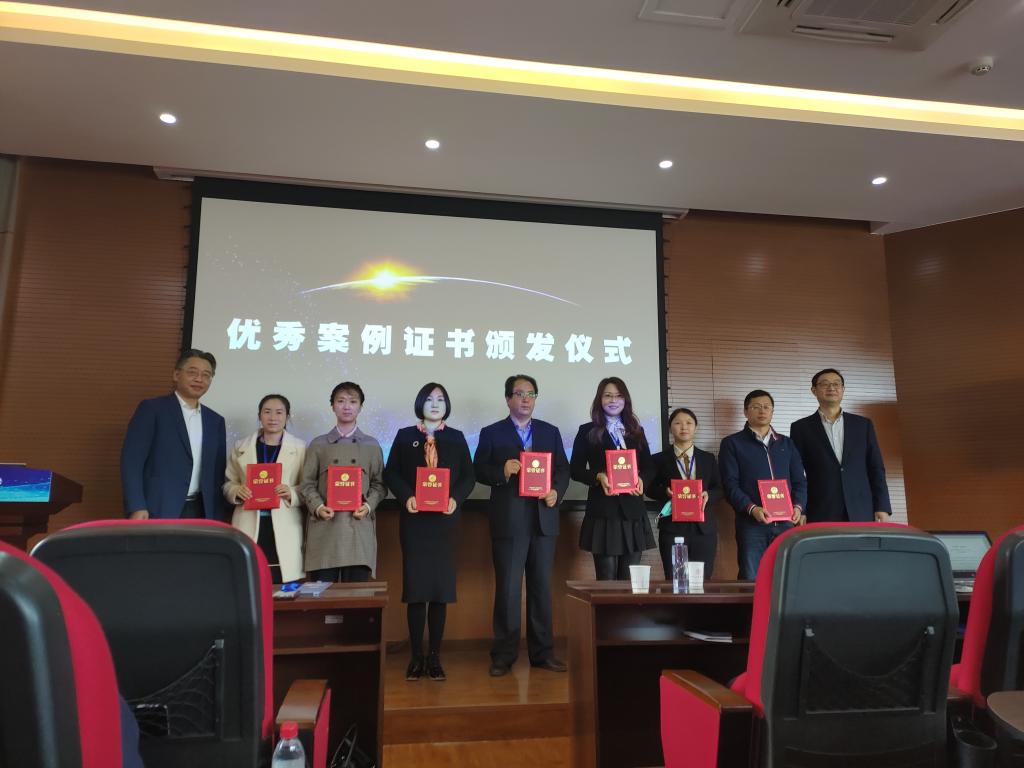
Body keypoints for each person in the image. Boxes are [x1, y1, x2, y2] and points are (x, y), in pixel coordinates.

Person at [474, 374, 570, 677]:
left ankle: (543, 654)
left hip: (544, 519)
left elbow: (562, 470)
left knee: (541, 588)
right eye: (519, 393)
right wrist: (501, 471)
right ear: (508, 399)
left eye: (531, 394)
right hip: (509, 521)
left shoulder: (550, 432)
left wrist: (556, 491)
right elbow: (479, 469)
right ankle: (503, 655)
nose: (525, 399)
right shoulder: (492, 432)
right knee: (508, 590)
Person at [384, 383, 475, 682]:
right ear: (420, 403)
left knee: (439, 592)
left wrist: (456, 498)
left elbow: (468, 476)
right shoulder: (404, 435)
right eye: (429, 399)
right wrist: (406, 496)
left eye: (441, 399)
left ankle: (434, 656)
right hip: (415, 522)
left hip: (445, 523)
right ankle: (416, 657)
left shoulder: (456, 437)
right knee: (416, 591)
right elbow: (391, 473)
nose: (435, 404)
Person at [121, 349, 227, 520]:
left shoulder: (215, 421)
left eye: (206, 375)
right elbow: (132, 461)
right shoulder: (152, 409)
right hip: (158, 507)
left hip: (201, 511)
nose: (199, 379)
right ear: (176, 375)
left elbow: (217, 474)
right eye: (192, 372)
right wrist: (136, 505)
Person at [570, 377, 656, 581]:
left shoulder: (636, 431)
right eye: (608, 395)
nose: (613, 400)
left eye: (618, 396)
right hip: (603, 511)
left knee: (629, 579)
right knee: (606, 578)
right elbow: (575, 469)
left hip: (632, 512)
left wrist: (642, 479)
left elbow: (649, 467)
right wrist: (598, 476)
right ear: (599, 399)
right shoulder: (587, 430)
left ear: (625, 400)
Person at [299, 382, 385, 582]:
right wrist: (318, 507)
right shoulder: (318, 444)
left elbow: (379, 484)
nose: (347, 406)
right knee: (322, 596)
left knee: (357, 596)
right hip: (325, 528)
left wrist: (368, 506)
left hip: (358, 527)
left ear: (360, 407)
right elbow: (307, 483)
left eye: (353, 401)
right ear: (332, 406)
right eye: (341, 401)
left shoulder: (371, 445)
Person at [719, 389, 807, 580]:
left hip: (786, 523)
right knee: (751, 578)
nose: (762, 411)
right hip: (752, 524)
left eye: (767, 407)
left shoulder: (786, 444)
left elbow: (800, 482)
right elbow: (730, 484)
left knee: (787, 577)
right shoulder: (732, 443)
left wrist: (798, 507)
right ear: (745, 411)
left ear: (772, 411)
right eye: (756, 407)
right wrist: (752, 508)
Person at [790, 368, 892, 523]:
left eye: (836, 384)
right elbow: (796, 472)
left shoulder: (862, 425)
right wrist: (800, 508)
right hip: (821, 508)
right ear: (814, 390)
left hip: (861, 508)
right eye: (825, 384)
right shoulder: (801, 428)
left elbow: (876, 468)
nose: (831, 388)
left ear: (843, 390)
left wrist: (882, 506)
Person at [223, 394, 306, 583]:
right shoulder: (241, 446)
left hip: (285, 521)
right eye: (267, 412)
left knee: (283, 580)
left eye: (279, 412)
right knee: (251, 579)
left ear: (287, 416)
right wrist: (236, 491)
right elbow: (228, 483)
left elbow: (308, 486)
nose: (273, 417)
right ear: (259, 415)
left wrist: (292, 492)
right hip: (248, 520)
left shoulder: (300, 448)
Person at [648, 407, 723, 579]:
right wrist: (665, 492)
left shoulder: (708, 458)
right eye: (678, 423)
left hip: (703, 529)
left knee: (702, 580)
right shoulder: (658, 459)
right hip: (672, 528)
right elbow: (649, 488)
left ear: (696, 427)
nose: (684, 427)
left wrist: (708, 495)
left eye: (689, 423)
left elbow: (720, 488)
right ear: (670, 428)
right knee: (675, 579)